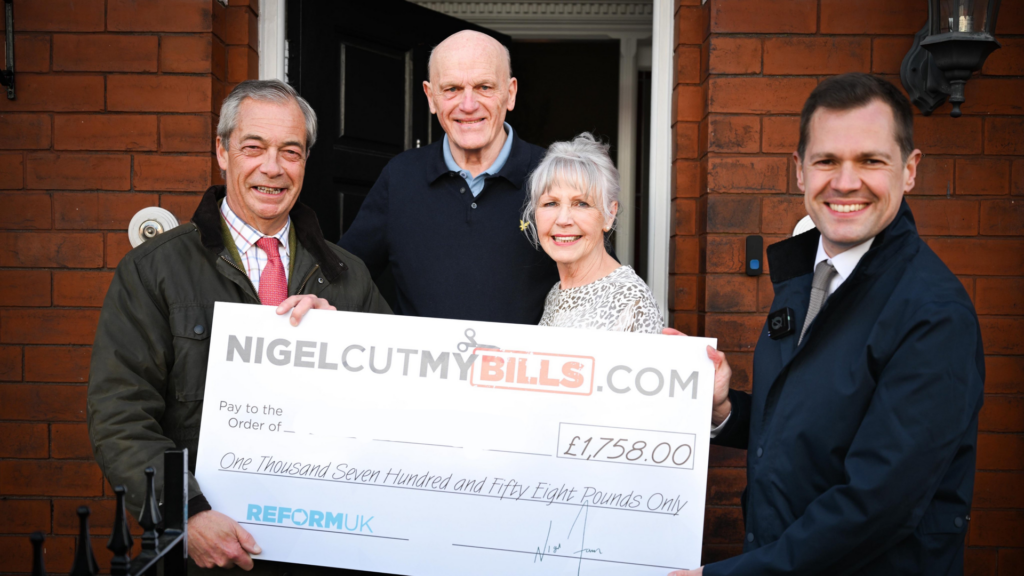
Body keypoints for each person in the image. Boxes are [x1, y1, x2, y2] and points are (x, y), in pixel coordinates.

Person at [671, 73, 985, 575]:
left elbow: (876, 506)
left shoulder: (933, 313)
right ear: (800, 171)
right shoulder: (808, 277)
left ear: (909, 171)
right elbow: (807, 431)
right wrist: (723, 408)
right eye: (826, 161)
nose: (844, 182)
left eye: (871, 161)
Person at [87, 79, 390, 574]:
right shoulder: (154, 270)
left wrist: (351, 349)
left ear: (305, 162)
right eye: (254, 147)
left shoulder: (348, 276)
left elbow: (397, 407)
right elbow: (119, 412)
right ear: (222, 152)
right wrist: (185, 514)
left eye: (290, 151)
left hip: (324, 547)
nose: (272, 167)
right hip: (206, 551)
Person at [339, 30, 559, 323]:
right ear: (431, 97)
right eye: (452, 89)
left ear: (510, 93)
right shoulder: (400, 177)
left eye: (484, 87)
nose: (468, 105)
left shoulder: (556, 175)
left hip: (522, 356)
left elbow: (599, 284)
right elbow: (344, 277)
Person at [521, 133, 662, 333]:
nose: (563, 220)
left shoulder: (631, 301)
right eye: (551, 203)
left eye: (581, 204)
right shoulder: (556, 293)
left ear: (609, 215)